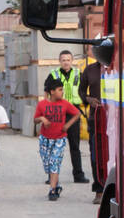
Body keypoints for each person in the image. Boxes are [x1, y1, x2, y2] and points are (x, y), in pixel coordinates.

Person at [34, 75, 80, 202]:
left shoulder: (65, 104)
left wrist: (67, 125)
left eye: (62, 89)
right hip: (45, 139)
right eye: (60, 89)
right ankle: (57, 185)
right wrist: (42, 119)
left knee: (55, 162)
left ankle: (52, 190)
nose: (62, 92)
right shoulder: (42, 104)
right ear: (52, 91)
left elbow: (77, 114)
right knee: (47, 165)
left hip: (60, 139)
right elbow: (35, 119)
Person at [50, 50, 90, 184]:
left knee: (75, 145)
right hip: (57, 112)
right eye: (63, 60)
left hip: (73, 111)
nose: (66, 62)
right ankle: (52, 175)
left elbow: (84, 91)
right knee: (55, 146)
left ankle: (78, 175)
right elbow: (47, 93)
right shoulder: (53, 75)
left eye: (68, 60)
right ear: (59, 61)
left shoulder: (79, 74)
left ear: (72, 61)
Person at [78, 55, 104, 201]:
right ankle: (99, 189)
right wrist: (88, 99)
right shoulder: (90, 70)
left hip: (118, 118)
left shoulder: (116, 67)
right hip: (96, 119)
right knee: (96, 155)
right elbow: (81, 91)